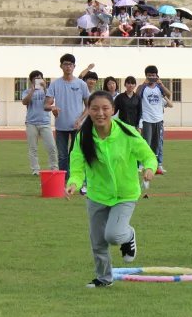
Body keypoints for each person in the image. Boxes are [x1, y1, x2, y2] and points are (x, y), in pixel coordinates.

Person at [66, 91, 157, 288]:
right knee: (98, 241)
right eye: (95, 108)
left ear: (113, 110)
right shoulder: (83, 137)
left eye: (105, 108)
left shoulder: (127, 132)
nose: (100, 113)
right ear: (88, 111)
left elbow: (148, 155)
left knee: (113, 235)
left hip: (125, 194)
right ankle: (103, 278)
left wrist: (150, 169)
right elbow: (77, 166)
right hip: (98, 195)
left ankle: (128, 235)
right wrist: (73, 183)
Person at [44, 53, 90, 178]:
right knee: (62, 155)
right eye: (65, 64)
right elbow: (46, 105)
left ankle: (76, 179)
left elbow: (89, 106)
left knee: (75, 154)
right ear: (61, 66)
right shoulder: (55, 84)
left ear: (74, 66)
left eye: (70, 64)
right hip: (61, 126)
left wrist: (80, 120)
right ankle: (64, 181)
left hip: (77, 126)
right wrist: (52, 107)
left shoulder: (81, 84)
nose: (68, 67)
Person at [21, 70, 58, 175]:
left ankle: (54, 168)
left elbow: (51, 101)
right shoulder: (27, 91)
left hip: (45, 122)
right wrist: (32, 90)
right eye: (35, 78)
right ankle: (35, 170)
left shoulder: (47, 91)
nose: (38, 80)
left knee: (51, 146)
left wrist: (45, 87)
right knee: (33, 148)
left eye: (40, 78)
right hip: (31, 122)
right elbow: (24, 102)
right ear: (31, 80)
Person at [139, 65, 172, 175]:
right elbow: (137, 95)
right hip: (147, 119)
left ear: (157, 75)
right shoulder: (143, 87)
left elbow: (168, 94)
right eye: (149, 75)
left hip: (158, 119)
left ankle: (157, 165)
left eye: (153, 75)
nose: (152, 77)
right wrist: (144, 83)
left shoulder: (159, 87)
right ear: (146, 76)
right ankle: (143, 164)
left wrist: (161, 84)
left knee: (157, 144)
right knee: (146, 143)